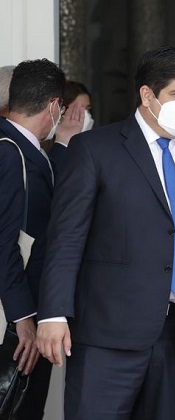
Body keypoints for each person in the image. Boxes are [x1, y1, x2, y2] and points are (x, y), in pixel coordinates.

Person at [36, 46, 175, 420]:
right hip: (107, 333)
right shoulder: (95, 149)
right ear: (147, 95)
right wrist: (53, 313)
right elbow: (66, 238)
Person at [0, 58, 80, 420]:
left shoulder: (23, 147)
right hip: (15, 316)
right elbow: (3, 242)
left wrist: (61, 145)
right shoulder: (10, 151)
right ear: (53, 106)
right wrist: (24, 318)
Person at [46, 80, 91, 170]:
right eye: (79, 110)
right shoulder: (44, 144)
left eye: (87, 109)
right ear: (62, 109)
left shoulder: (87, 146)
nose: (85, 115)